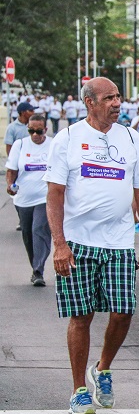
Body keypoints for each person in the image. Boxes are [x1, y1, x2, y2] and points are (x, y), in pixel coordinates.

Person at [44, 77, 139, 414]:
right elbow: (55, 194)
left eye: (118, 96)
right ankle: (79, 390)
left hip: (119, 242)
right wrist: (60, 244)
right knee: (82, 316)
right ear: (89, 102)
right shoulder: (67, 139)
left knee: (123, 311)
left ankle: (102, 368)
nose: (116, 102)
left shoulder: (131, 138)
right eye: (109, 97)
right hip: (78, 243)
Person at [5, 114, 52, 286]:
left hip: (44, 197)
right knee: (27, 234)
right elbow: (11, 170)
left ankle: (38, 271)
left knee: (39, 229)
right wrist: (10, 184)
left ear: (45, 130)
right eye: (31, 131)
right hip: (23, 199)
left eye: (38, 131)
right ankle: (35, 266)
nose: (34, 135)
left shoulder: (53, 144)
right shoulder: (20, 144)